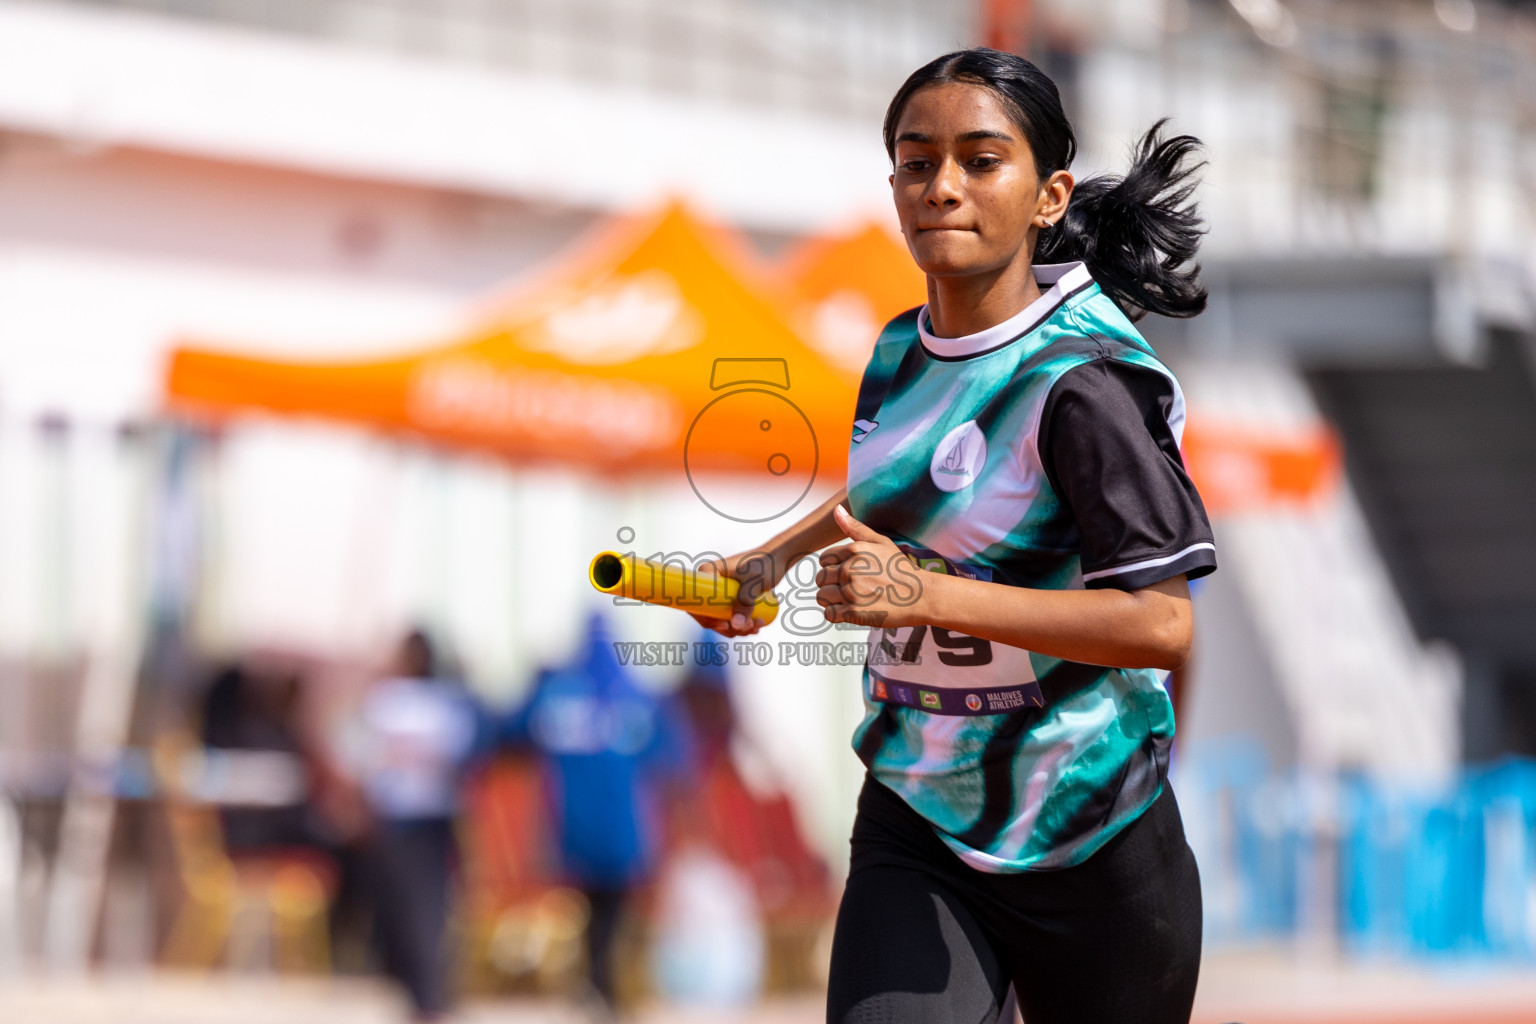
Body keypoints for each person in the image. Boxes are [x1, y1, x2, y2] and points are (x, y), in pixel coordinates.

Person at [699, 48, 1215, 1024]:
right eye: (915, 161)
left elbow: (1160, 624)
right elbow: (891, 500)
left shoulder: (1089, 383)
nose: (942, 187)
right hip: (917, 814)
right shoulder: (898, 348)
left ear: (1048, 193)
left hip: (1091, 837)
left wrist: (922, 596)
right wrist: (766, 562)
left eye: (981, 161)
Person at [504, 614, 689, 1014]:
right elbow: (673, 757)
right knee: (612, 908)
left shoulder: (558, 693)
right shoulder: (636, 695)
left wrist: (536, 681)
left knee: (593, 907)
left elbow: (513, 730)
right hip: (623, 826)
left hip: (575, 824)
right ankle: (604, 983)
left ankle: (598, 981)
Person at [349, 629, 488, 1022]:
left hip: (403, 818)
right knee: (430, 908)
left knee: (411, 910)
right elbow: (465, 758)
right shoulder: (446, 704)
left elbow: (359, 760)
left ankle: (425, 995)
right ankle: (428, 993)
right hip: (433, 816)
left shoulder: (385, 702)